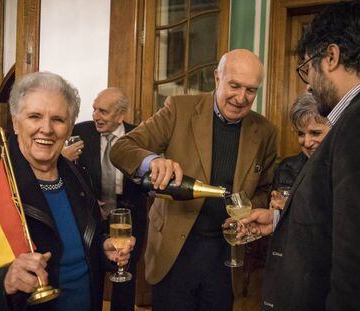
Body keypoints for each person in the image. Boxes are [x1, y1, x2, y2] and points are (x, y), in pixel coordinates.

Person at [110, 49, 277, 310]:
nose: (242, 98)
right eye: (234, 85)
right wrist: (152, 161)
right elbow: (121, 148)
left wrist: (252, 209)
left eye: (251, 90)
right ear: (217, 78)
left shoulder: (265, 131)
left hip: (227, 257)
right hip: (174, 252)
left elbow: (266, 188)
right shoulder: (179, 109)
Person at [239, 2, 360, 310]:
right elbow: (338, 218)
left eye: (307, 69)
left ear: (331, 57)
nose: (308, 84)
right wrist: (278, 220)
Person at [0, 72, 135, 311]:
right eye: (34, 116)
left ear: (70, 126)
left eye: (58, 119)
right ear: (15, 121)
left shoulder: (77, 175)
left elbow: (83, 243)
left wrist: (103, 248)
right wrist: (5, 279)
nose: (46, 129)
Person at [62, 87, 147, 311]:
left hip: (129, 219)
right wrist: (65, 159)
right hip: (93, 220)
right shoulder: (80, 133)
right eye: (94, 109)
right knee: (93, 276)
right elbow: (65, 176)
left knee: (124, 277)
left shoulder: (139, 136)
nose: (96, 116)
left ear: (120, 115)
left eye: (103, 111)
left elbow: (148, 179)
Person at [269, 92, 329, 210]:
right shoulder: (285, 169)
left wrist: (293, 209)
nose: (306, 143)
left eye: (315, 133)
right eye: (301, 134)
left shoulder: (348, 170)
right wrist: (275, 213)